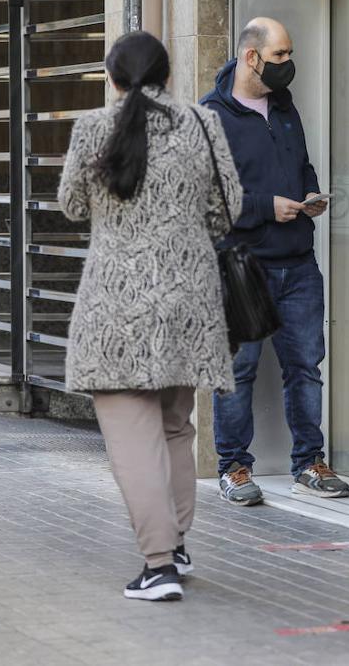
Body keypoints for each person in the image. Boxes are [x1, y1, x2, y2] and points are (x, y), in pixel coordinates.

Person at [59, 31, 242, 601]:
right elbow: (228, 207)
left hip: (116, 308)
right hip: (189, 302)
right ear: (169, 72)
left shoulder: (93, 127)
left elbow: (70, 205)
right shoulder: (203, 123)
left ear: (112, 77)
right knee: (173, 428)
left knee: (131, 439)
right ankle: (177, 545)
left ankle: (158, 563)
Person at [201, 17, 349, 505]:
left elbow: (301, 163)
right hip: (243, 266)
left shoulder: (284, 106)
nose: (289, 64)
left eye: (289, 54)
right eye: (281, 55)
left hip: (299, 263)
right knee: (238, 371)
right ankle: (234, 468)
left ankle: (310, 461)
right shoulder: (211, 116)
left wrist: (309, 193)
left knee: (306, 366)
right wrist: (268, 207)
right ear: (251, 57)